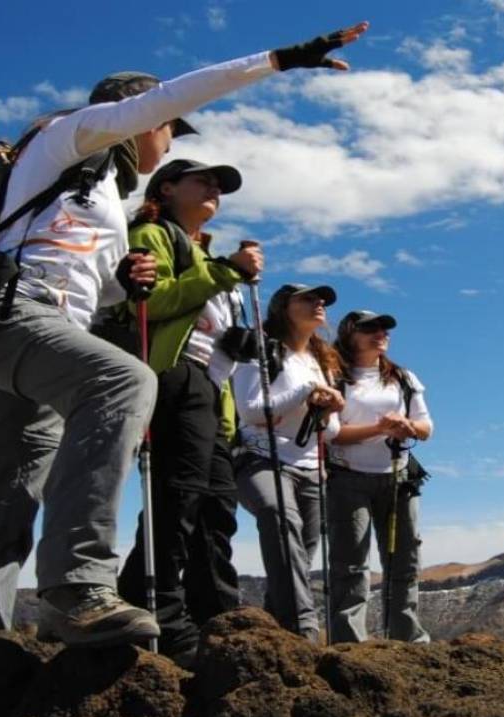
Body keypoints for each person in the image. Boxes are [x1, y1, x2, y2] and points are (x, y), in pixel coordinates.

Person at [0, 22, 368, 647]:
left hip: (46, 335)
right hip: (13, 315)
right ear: (133, 117)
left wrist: (122, 281)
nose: (167, 134)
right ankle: (78, 587)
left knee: (9, 487)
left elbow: (87, 285)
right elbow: (163, 100)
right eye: (165, 126)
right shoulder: (67, 141)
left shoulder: (101, 194)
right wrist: (279, 60)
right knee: (123, 379)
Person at [115, 159, 261, 665]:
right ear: (168, 187)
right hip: (174, 378)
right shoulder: (152, 233)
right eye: (205, 181)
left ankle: (217, 613)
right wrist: (225, 274)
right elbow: (149, 305)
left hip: (210, 389)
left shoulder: (202, 255)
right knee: (178, 497)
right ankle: (155, 608)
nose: (215, 190)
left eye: (220, 187)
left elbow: (205, 325)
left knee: (216, 505)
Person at [232, 283, 344, 641]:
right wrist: (304, 393)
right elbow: (249, 411)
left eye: (322, 300)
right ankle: (305, 630)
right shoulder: (260, 351)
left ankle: (274, 630)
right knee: (279, 519)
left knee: (299, 553)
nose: (319, 304)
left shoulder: (321, 360)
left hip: (311, 467)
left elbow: (331, 431)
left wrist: (326, 411)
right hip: (260, 458)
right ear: (283, 307)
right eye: (308, 298)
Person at [328, 310, 433, 643]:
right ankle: (349, 643)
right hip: (346, 477)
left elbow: (426, 428)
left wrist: (407, 428)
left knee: (404, 559)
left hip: (398, 476)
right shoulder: (333, 377)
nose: (381, 333)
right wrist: (380, 428)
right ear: (349, 334)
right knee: (350, 563)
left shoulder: (403, 378)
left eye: (384, 328)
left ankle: (407, 639)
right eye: (370, 328)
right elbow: (331, 434)